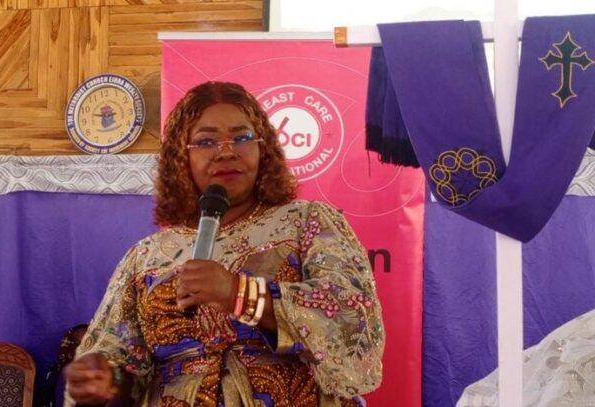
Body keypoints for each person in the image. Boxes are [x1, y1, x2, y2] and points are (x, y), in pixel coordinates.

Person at [65, 81, 385, 406]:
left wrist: (239, 293)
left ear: (263, 149)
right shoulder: (146, 256)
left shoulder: (306, 222)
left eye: (242, 137)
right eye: (206, 141)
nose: (227, 151)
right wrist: (106, 379)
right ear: (180, 156)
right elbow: (119, 360)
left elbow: (353, 321)